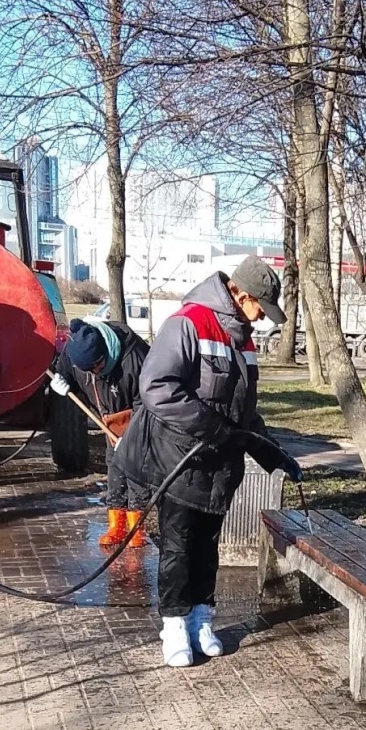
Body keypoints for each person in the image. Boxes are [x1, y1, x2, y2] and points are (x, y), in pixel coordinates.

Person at [114, 254, 302, 667]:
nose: (261, 318)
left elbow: (246, 415)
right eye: (260, 308)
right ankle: (174, 626)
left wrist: (274, 455)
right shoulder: (189, 323)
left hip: (220, 468)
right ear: (241, 294)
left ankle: (201, 619)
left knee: (208, 547)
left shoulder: (244, 341)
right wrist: (211, 427)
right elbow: (157, 387)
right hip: (181, 460)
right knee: (179, 547)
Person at [50, 316, 150, 547]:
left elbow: (146, 404)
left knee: (135, 470)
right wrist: (62, 380)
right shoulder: (73, 351)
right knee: (114, 465)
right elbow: (64, 369)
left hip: (137, 417)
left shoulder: (136, 359)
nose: (94, 373)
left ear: (105, 352)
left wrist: (131, 436)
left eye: (97, 367)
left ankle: (136, 529)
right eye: (87, 370)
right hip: (109, 419)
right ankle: (117, 525)